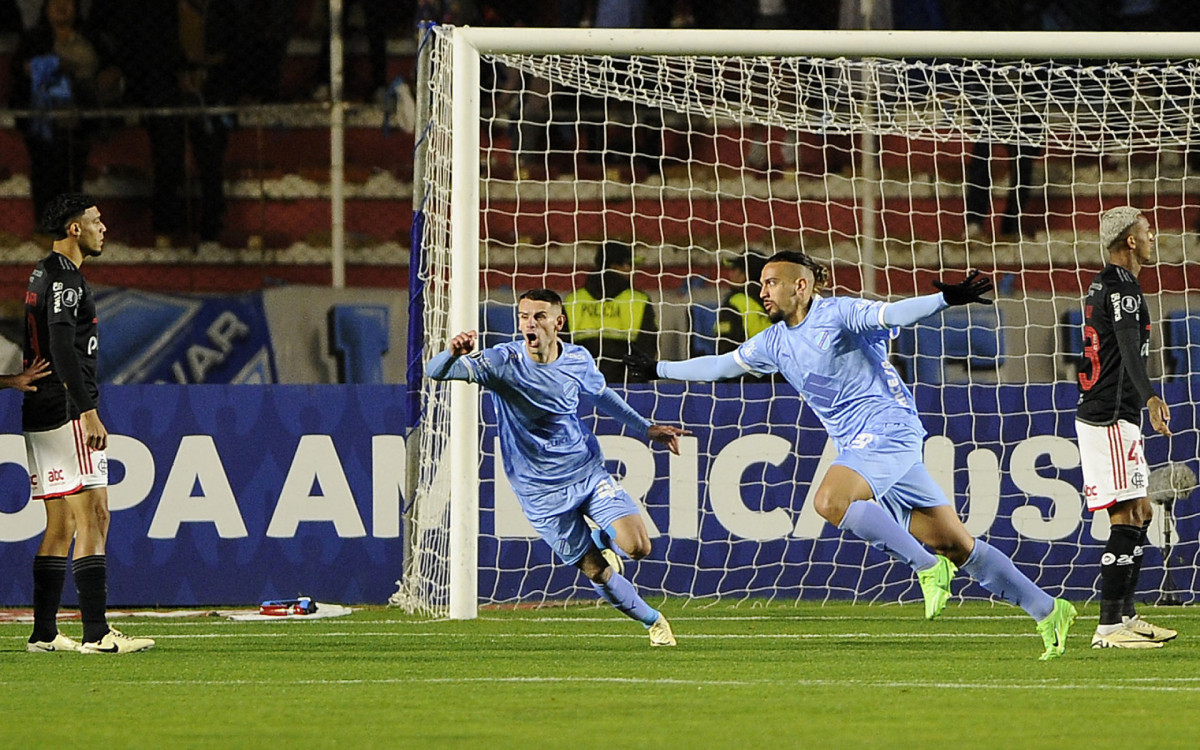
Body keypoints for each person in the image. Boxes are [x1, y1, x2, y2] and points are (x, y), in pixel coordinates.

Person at [626, 250, 1077, 660]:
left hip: (888, 430)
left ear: (800, 286)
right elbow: (721, 366)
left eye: (771, 282)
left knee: (830, 501)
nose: (761, 291)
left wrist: (944, 300)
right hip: (867, 445)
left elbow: (891, 313)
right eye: (761, 284)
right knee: (956, 544)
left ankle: (925, 567)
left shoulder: (837, 313)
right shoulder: (775, 341)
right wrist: (660, 369)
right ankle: (1049, 610)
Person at [426, 288, 688, 646]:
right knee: (597, 569)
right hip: (539, 491)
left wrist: (647, 428)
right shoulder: (501, 361)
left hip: (585, 471)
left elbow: (602, 396)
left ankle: (601, 536)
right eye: (523, 317)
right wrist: (452, 353)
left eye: (539, 316)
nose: (529, 323)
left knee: (638, 546)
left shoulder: (577, 359)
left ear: (558, 322)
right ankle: (654, 623)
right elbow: (436, 372)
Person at [23, 193, 155, 655]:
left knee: (60, 524)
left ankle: (43, 633)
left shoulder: (44, 273)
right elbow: (62, 348)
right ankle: (98, 634)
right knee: (94, 515)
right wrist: (87, 410)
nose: (105, 228)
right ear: (75, 229)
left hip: (41, 411)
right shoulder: (66, 280)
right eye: (97, 221)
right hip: (66, 410)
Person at [1074, 206, 1177, 649]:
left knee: (1143, 511)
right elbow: (1132, 353)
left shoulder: (1109, 283)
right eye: (1147, 232)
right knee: (1129, 514)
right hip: (1111, 414)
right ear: (1130, 241)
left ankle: (1126, 616)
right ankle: (1109, 626)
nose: (1153, 238)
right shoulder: (1124, 290)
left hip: (1114, 413)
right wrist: (1151, 397)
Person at [8, 0, 121, 230]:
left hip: (80, 117)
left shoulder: (93, 38)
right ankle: (45, 225)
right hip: (43, 119)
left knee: (74, 172)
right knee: (45, 170)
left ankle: (71, 226)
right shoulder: (33, 39)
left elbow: (111, 67)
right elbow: (20, 70)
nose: (61, 6)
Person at [563, 242, 659, 382]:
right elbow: (647, 348)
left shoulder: (573, 300)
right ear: (615, 266)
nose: (633, 271)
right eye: (628, 265)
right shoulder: (638, 301)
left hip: (583, 383)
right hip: (628, 385)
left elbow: (562, 347)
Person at [715, 251, 771, 354]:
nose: (730, 274)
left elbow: (725, 344)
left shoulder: (734, 302)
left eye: (734, 270)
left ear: (744, 276)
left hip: (744, 364)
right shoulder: (775, 299)